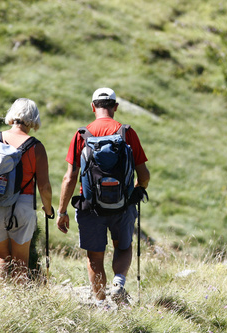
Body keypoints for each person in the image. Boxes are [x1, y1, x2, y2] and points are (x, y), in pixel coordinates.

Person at [56, 88, 150, 304]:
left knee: (95, 256)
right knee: (123, 247)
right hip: (123, 205)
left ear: (92, 107)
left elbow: (69, 178)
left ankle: (101, 303)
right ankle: (118, 283)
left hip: (90, 207)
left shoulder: (82, 135)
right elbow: (144, 175)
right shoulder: (127, 133)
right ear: (115, 107)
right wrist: (134, 192)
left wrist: (62, 211)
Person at [0, 98, 53, 284]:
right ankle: (17, 301)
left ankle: (0, 302)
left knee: (0, 256)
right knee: (20, 260)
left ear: (12, 115)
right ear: (34, 118)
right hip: (23, 206)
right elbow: (44, 186)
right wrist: (48, 209)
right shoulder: (36, 147)